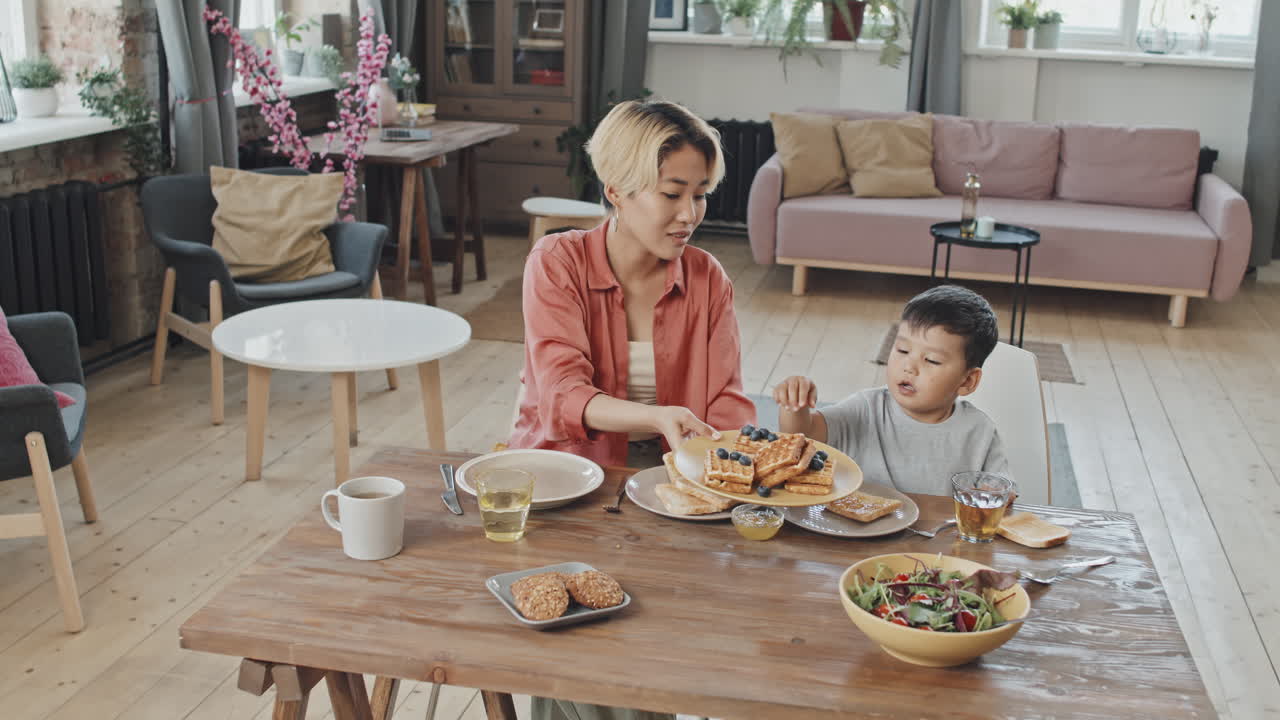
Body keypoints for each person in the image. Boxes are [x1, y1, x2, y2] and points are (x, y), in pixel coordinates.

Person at [509, 99, 755, 472]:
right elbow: (563, 393)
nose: (689, 214)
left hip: (678, 468)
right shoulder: (557, 261)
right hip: (567, 465)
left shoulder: (707, 278)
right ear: (616, 192)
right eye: (672, 194)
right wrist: (656, 417)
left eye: (700, 195)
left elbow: (726, 402)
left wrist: (720, 474)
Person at [773, 285, 1011, 495]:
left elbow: (1001, 491)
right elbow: (803, 435)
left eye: (932, 360)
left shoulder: (980, 431)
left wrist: (994, 495)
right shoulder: (867, 408)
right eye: (902, 351)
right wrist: (794, 404)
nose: (909, 366)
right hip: (860, 539)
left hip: (938, 543)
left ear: (967, 381)